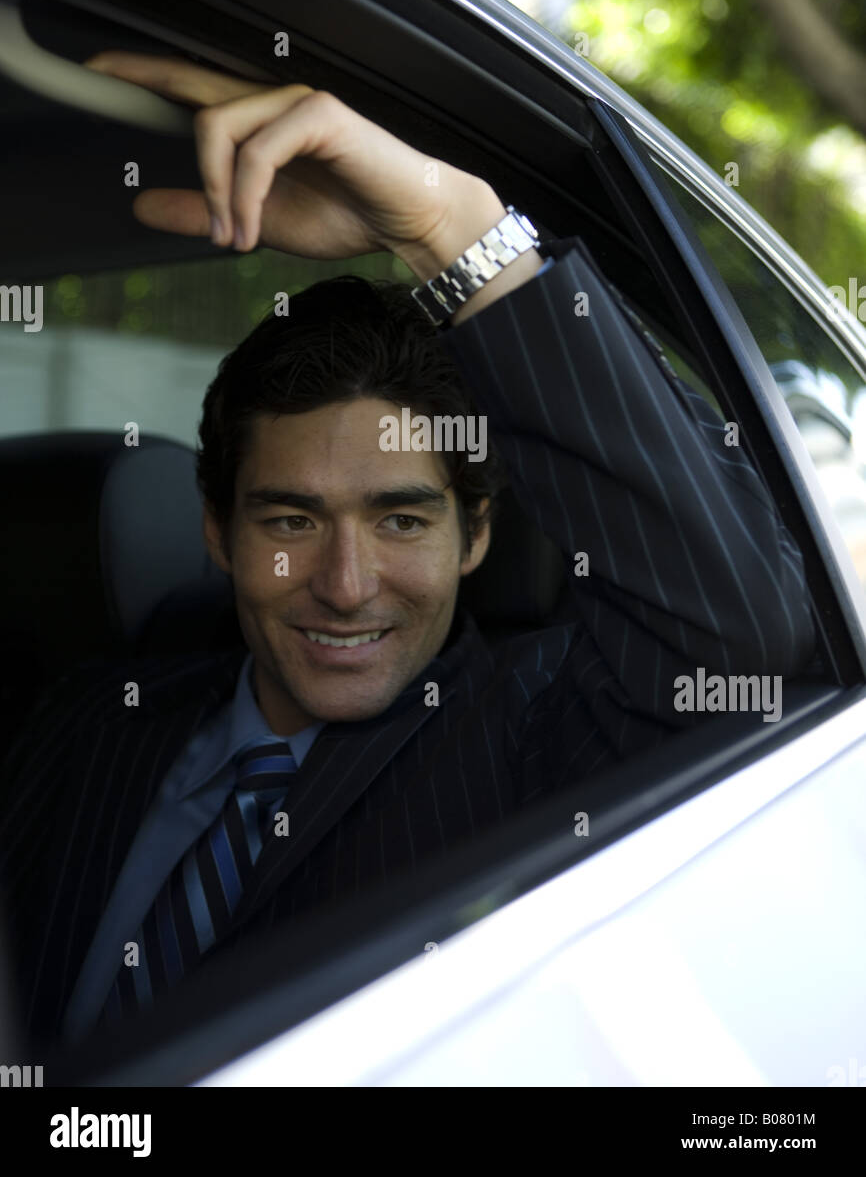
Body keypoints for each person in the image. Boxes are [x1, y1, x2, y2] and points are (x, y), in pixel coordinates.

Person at [0, 54, 816, 1047]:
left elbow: (728, 622)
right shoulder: (86, 719)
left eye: (400, 519)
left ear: (476, 533)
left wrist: (449, 231)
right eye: (290, 520)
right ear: (215, 529)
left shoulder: (541, 734)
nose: (345, 587)